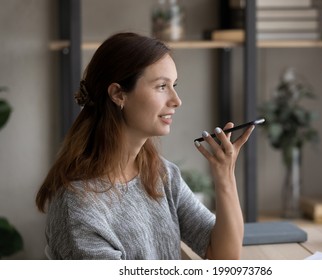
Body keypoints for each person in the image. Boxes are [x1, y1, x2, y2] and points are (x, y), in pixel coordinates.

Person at [35, 32, 255, 260]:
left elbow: (225, 257)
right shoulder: (79, 207)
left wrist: (225, 175)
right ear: (118, 94)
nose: (176, 100)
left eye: (174, 85)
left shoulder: (161, 174)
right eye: (161, 86)